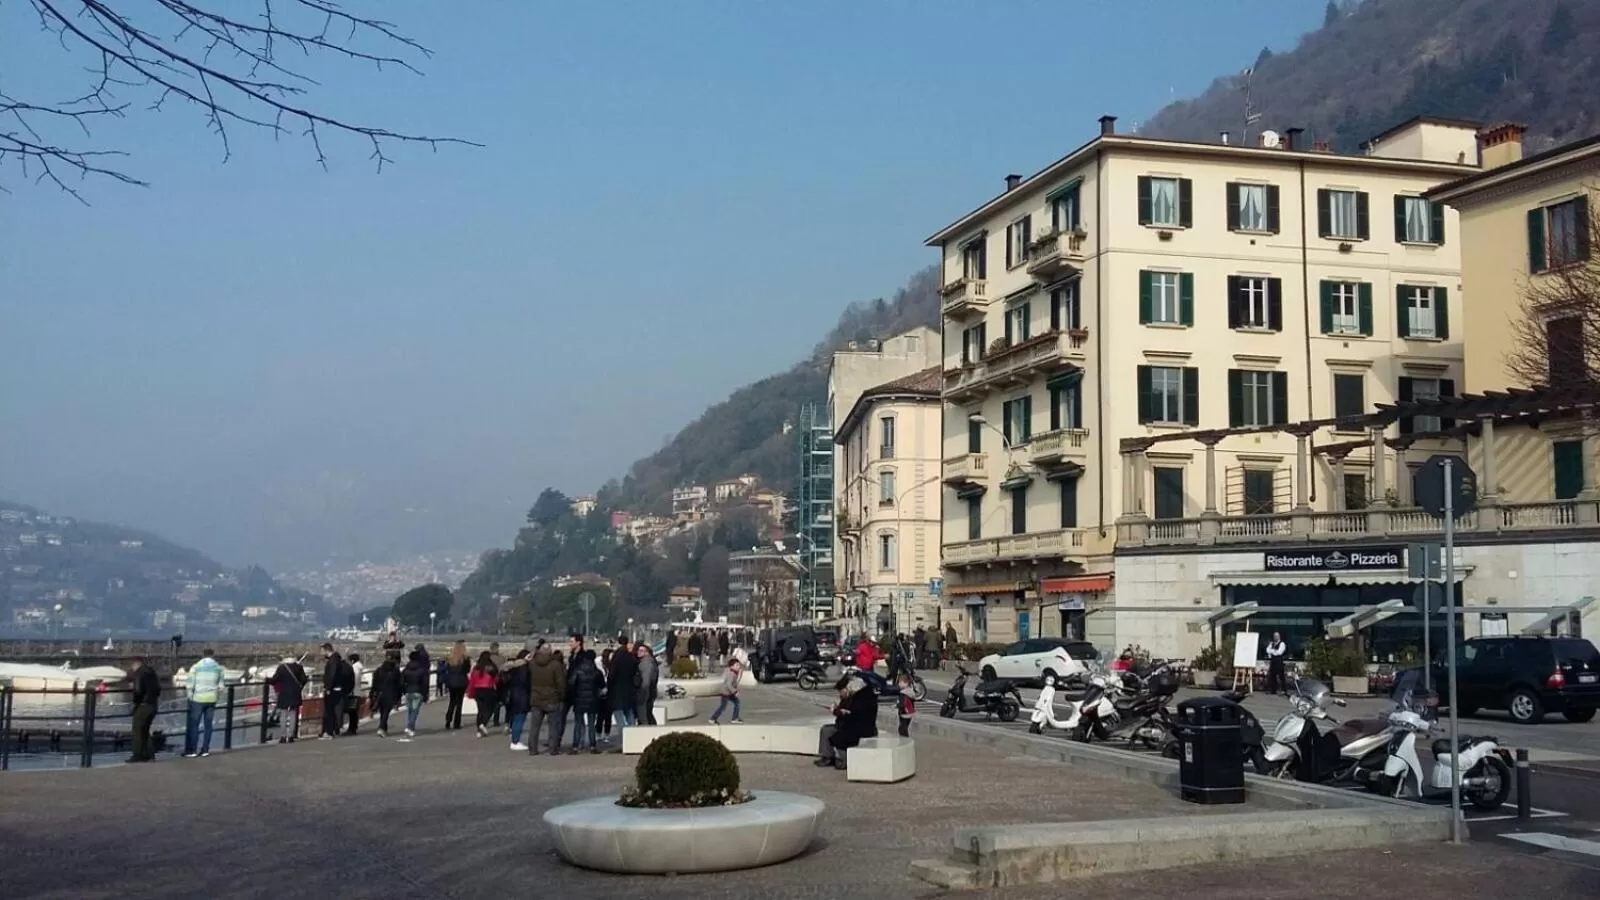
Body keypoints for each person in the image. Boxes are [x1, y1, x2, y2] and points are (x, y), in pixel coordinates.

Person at [815, 674, 878, 769]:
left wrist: (839, 712)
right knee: (826, 730)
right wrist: (838, 710)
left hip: (860, 729)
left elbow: (854, 715)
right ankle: (828, 757)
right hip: (848, 725)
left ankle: (843, 759)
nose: (840, 694)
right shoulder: (853, 697)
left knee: (838, 737)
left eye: (842, 691)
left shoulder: (863, 698)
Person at [183, 648, 225, 758]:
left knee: (194, 725)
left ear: (203, 655)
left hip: (198, 699)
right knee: (208, 725)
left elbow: (190, 684)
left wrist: (190, 696)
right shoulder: (218, 668)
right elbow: (221, 686)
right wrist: (216, 696)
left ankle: (192, 750)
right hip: (211, 699)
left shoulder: (196, 667)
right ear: (213, 655)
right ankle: (205, 749)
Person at [526, 643, 566, 755]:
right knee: (553, 726)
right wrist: (562, 696)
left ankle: (532, 749)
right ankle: (553, 749)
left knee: (535, 726)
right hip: (552, 698)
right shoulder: (555, 665)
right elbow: (560, 683)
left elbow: (528, 679)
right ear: (550, 652)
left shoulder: (532, 663)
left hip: (536, 698)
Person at [568, 649, 606, 754]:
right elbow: (602, 686)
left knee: (578, 724)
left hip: (579, 699)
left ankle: (576, 746)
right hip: (593, 700)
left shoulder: (578, 670)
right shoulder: (597, 672)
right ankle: (592, 746)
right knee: (591, 724)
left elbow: (571, 683)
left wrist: (574, 694)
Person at [126, 655, 161, 763]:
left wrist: (135, 704)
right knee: (145, 730)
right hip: (153, 704)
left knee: (137, 730)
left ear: (136, 664)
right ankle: (150, 755)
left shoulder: (139, 673)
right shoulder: (152, 672)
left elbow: (138, 690)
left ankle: (137, 754)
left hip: (143, 705)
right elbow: (158, 689)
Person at [319, 643, 354, 739]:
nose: (321, 653)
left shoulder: (333, 660)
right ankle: (333, 729)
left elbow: (332, 674)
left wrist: (328, 688)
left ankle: (329, 732)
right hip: (338, 689)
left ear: (326, 650)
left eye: (322, 650)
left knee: (329, 711)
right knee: (334, 710)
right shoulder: (337, 659)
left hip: (332, 690)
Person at [270, 655, 308, 743]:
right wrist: (299, 687)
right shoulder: (299, 667)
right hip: (295, 693)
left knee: (283, 714)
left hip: (284, 693)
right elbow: (304, 679)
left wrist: (266, 679)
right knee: (293, 714)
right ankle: (291, 736)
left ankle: (283, 737)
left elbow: (274, 679)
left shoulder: (282, 668)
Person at [502, 648, 534, 751]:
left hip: (513, 695)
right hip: (522, 695)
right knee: (520, 718)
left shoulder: (513, 667)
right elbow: (525, 683)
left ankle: (514, 738)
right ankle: (515, 741)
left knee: (515, 718)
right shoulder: (524, 668)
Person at [609, 638, 640, 737]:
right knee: (630, 716)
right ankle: (633, 738)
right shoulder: (631, 658)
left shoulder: (617, 656)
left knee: (619, 718)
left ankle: (624, 740)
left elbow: (612, 675)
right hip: (629, 691)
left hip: (617, 691)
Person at [369, 651, 403, 737]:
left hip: (379, 694)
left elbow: (374, 684)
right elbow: (399, 685)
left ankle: (384, 729)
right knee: (386, 713)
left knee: (382, 712)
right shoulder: (395, 672)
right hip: (390, 694)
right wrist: (399, 696)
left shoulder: (379, 670)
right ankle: (381, 728)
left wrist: (372, 694)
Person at [468, 651, 500, 737]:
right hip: (488, 690)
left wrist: (470, 692)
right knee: (489, 709)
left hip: (478, 690)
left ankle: (479, 730)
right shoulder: (492, 668)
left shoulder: (476, 668)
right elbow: (496, 680)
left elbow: (472, 681)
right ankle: (483, 724)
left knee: (480, 710)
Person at [400, 648, 430, 738]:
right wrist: (425, 694)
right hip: (418, 691)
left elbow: (402, 681)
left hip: (408, 691)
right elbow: (425, 683)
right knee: (415, 711)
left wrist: (404, 690)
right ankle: (410, 727)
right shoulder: (422, 670)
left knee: (409, 710)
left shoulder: (406, 669)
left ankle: (409, 726)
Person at [442, 641, 470, 731]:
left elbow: (446, 669)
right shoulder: (465, 659)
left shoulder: (450, 659)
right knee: (459, 703)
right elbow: (467, 670)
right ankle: (456, 723)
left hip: (451, 682)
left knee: (452, 702)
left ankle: (448, 720)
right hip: (461, 682)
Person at [708, 658, 744, 724]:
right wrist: (735, 692)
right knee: (723, 706)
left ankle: (734, 718)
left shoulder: (732, 671)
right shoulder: (732, 674)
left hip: (728, 692)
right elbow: (728, 684)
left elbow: (735, 682)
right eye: (736, 665)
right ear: (731, 666)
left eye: (739, 665)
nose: (738, 666)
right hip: (726, 692)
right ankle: (712, 718)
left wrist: (740, 674)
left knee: (736, 703)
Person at [634, 642, 659, 726]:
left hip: (645, 693)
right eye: (638, 650)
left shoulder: (646, 663)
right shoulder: (650, 661)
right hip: (650, 693)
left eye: (642, 650)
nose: (638, 652)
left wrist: (642, 693)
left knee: (643, 716)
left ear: (647, 652)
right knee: (648, 714)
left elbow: (646, 681)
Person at [487, 641, 507, 729]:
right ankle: (496, 719)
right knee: (498, 701)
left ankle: (486, 719)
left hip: (488, 682)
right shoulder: (501, 658)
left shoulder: (487, 658)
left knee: (490, 702)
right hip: (499, 682)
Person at [344, 653, 365, 735]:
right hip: (357, 691)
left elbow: (353, 680)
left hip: (353, 692)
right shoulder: (359, 667)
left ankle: (352, 728)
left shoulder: (354, 668)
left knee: (352, 711)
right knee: (354, 712)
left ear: (352, 660)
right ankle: (353, 727)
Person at [895, 672, 916, 737]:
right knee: (905, 727)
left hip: (904, 713)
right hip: (910, 713)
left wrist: (896, 706)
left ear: (906, 683)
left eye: (900, 682)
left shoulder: (903, 693)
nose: (899, 684)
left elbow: (902, 704)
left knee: (902, 729)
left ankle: (904, 741)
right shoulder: (911, 692)